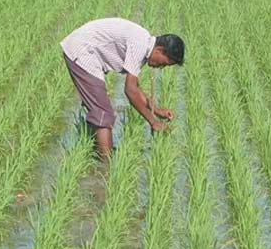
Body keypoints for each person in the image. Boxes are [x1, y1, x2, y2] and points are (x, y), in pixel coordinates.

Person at [60, 17, 185, 160]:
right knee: (104, 113)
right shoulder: (140, 45)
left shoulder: (144, 44)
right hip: (82, 52)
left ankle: (98, 150)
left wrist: (156, 111)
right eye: (165, 63)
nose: (161, 67)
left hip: (86, 51)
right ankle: (106, 165)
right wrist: (153, 122)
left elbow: (135, 88)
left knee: (99, 109)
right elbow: (130, 91)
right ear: (159, 50)